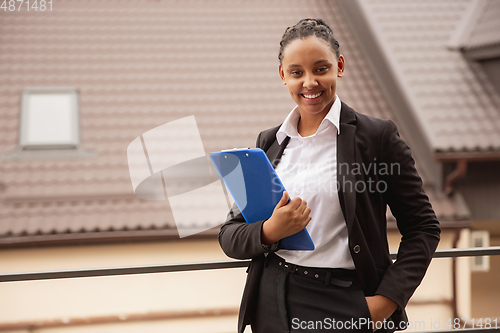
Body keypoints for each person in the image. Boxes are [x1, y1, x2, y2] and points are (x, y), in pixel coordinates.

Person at [219, 18, 440, 333]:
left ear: (339, 66)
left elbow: (423, 228)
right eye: (297, 73)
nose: (309, 82)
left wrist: (386, 302)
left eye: (320, 69)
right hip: (271, 298)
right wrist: (270, 230)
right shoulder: (268, 143)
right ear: (283, 75)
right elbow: (230, 236)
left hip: (343, 301)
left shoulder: (377, 138)